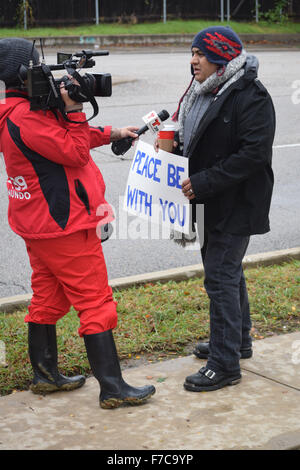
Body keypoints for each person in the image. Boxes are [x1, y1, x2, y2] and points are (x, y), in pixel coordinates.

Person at [0, 38, 155, 408]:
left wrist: (114, 133)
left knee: (48, 298)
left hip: (41, 224)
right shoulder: (24, 117)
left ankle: (46, 375)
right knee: (95, 302)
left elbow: (65, 139)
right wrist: (73, 108)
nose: (45, 71)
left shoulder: (21, 111)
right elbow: (72, 150)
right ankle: (113, 388)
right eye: (37, 64)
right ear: (24, 73)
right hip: (64, 226)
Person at [173, 27, 275, 391]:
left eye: (200, 53)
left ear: (220, 56)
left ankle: (225, 363)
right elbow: (197, 137)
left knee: (219, 278)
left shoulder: (250, 95)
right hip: (207, 200)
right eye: (192, 52)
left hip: (236, 202)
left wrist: (204, 182)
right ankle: (237, 342)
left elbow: (253, 155)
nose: (193, 60)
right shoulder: (203, 91)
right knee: (228, 274)